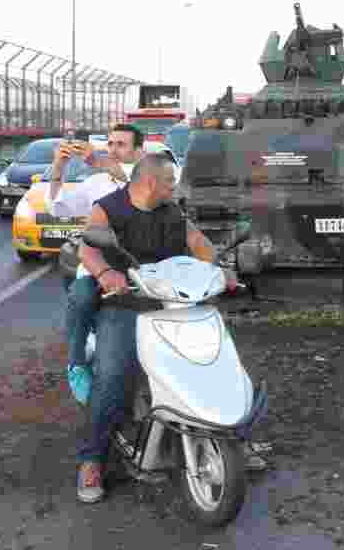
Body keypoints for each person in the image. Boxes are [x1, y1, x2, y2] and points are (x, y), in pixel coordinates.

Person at [73, 152, 240, 503]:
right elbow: (89, 250)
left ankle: (230, 433)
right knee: (114, 375)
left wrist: (219, 270)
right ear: (150, 182)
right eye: (169, 181)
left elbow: (198, 244)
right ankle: (91, 460)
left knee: (208, 358)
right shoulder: (109, 208)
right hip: (125, 303)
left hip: (173, 303)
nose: (174, 187)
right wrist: (106, 274)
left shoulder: (172, 211)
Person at [48, 124, 146, 407]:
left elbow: (130, 181)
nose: (113, 149)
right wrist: (58, 167)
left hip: (144, 266)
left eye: (121, 145)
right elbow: (58, 208)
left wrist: (95, 161)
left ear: (138, 150)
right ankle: (76, 363)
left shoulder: (148, 178)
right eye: (110, 143)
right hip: (99, 264)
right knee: (79, 297)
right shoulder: (96, 183)